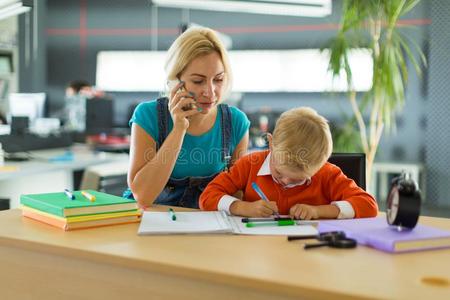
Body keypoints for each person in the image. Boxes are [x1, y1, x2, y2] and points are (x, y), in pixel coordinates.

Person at [125, 26, 250, 209]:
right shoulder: (148, 115)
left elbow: (236, 196)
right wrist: (178, 130)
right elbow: (143, 197)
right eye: (198, 81)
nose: (210, 92)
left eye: (218, 79)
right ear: (176, 80)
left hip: (206, 225)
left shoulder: (235, 122)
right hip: (149, 222)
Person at [199, 107, 378, 219]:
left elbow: (368, 205)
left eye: (297, 180)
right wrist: (243, 207)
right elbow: (207, 197)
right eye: (279, 173)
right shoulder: (250, 164)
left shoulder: (326, 174)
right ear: (271, 143)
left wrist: (318, 212)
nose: (285, 182)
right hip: (257, 254)